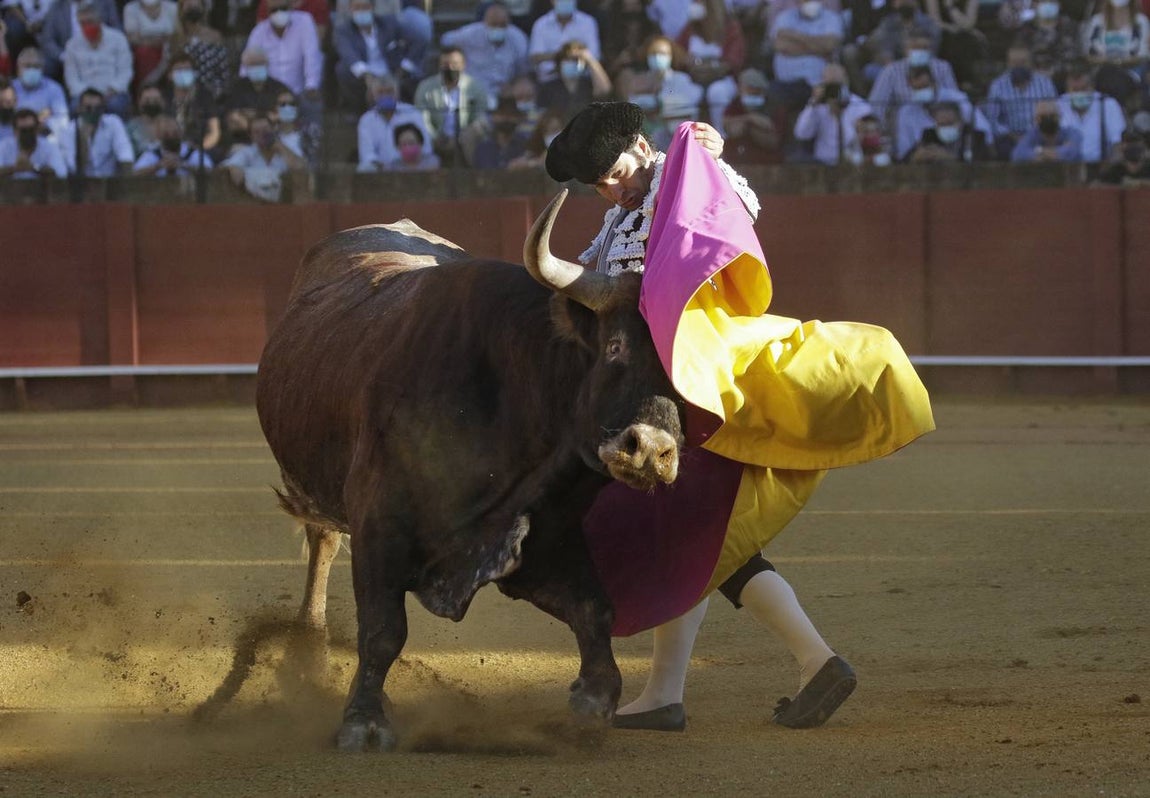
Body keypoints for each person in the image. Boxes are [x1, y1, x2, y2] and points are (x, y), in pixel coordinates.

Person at [543, 101, 934, 731]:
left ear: (641, 147)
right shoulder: (619, 218)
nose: (610, 191)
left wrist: (712, 161)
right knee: (692, 537)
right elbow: (580, 283)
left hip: (699, 395)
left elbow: (734, 215)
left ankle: (808, 661)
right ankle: (680, 690)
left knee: (701, 537)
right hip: (657, 397)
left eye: (614, 175)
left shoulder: (690, 178)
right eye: (598, 186)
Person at [334, 0, 427, 113]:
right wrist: (367, 76)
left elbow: (419, 40)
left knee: (415, 72)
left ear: (372, 8)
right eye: (357, 8)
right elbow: (348, 54)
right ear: (351, 9)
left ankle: (406, 107)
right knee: (342, 69)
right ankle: (359, 111)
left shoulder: (388, 23)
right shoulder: (344, 30)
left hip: (392, 70)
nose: (361, 11)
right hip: (364, 74)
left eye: (365, 7)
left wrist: (404, 68)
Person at [893, 65, 991, 159]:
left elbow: (983, 130)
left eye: (925, 86)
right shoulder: (907, 113)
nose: (922, 91)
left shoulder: (958, 99)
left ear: (934, 83)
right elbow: (904, 151)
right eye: (918, 88)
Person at [675, 0, 745, 132]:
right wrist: (688, 62)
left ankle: (722, 136)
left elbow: (733, 62)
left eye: (699, 2)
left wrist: (710, 68)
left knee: (717, 92)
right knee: (687, 93)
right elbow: (678, 53)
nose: (694, 5)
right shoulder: (691, 27)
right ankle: (685, 137)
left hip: (722, 80)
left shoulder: (730, 27)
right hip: (694, 79)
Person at [414, 46, 489, 166]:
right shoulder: (425, 88)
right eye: (445, 64)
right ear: (439, 66)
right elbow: (422, 119)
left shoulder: (476, 87)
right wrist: (436, 137)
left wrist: (461, 137)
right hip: (437, 139)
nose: (450, 68)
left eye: (455, 64)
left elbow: (480, 117)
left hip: (466, 139)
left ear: (464, 65)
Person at [867, 27, 956, 126]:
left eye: (924, 48)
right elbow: (876, 106)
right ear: (905, 49)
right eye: (915, 48)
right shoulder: (891, 71)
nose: (920, 52)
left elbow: (954, 101)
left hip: (936, 124)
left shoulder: (943, 68)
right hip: (902, 125)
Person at [440, 1, 530, 98]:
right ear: (485, 23)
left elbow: (523, 71)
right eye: (494, 24)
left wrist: (514, 85)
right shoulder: (471, 34)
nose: (498, 28)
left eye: (502, 25)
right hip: (473, 91)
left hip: (504, 92)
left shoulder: (518, 38)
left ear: (508, 23)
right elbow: (446, 40)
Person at [768, 0, 845, 114]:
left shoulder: (831, 18)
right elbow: (781, 45)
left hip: (820, 83)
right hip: (787, 84)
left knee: (835, 91)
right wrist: (819, 48)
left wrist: (793, 36)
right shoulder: (785, 17)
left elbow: (830, 45)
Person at [244, 0, 322, 110]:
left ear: (291, 6)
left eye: (283, 8)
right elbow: (247, 64)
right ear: (267, 11)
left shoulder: (305, 22)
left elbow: (312, 56)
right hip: (268, 94)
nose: (278, 13)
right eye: (274, 10)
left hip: (299, 92)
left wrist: (311, 85)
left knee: (311, 102)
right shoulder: (259, 32)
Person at [985, 44, 1057, 160]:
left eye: (1023, 62)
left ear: (1031, 63)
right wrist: (1012, 135)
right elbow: (993, 120)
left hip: (1040, 134)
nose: (1018, 66)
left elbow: (1054, 112)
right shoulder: (997, 86)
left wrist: (1037, 134)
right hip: (1010, 137)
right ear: (1008, 64)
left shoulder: (1045, 83)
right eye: (1014, 63)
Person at [63, 1, 133, 117]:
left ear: (99, 20)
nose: (87, 27)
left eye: (90, 22)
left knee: (116, 106)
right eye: (83, 23)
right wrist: (87, 95)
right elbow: (72, 78)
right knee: (75, 108)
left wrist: (110, 91)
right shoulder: (72, 45)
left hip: (113, 93)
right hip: (84, 94)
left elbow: (125, 72)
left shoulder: (118, 39)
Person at [793, 62, 872, 164]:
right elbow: (801, 134)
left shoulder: (861, 106)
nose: (835, 91)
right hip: (821, 163)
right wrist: (812, 105)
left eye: (837, 85)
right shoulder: (817, 105)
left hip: (851, 163)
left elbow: (858, 142)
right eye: (830, 85)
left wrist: (839, 116)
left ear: (846, 81)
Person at [220, 111, 304, 200]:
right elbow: (230, 167)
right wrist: (235, 169)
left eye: (265, 130)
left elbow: (301, 168)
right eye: (257, 132)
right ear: (251, 136)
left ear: (273, 129)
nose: (262, 135)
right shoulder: (247, 152)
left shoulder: (287, 148)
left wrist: (281, 148)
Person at [356, 72, 430, 171]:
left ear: (397, 93)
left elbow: (426, 147)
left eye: (390, 92)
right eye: (380, 92)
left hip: (411, 165)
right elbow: (367, 154)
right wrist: (384, 167)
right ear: (373, 95)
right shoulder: (366, 120)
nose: (386, 96)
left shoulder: (412, 113)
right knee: (364, 168)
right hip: (380, 169)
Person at [1083, 0, 1149, 105]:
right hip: (1101, 71)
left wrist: (1118, 62)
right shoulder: (1097, 21)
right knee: (1107, 78)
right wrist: (1109, 61)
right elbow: (1089, 55)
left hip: (1130, 72)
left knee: (1115, 82)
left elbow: (1142, 55)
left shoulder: (1141, 21)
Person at [1057, 62, 1126, 161]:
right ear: (1067, 90)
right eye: (1075, 90)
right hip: (1065, 166)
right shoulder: (1059, 105)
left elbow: (1118, 144)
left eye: (1084, 88)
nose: (1080, 93)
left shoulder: (1108, 104)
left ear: (1092, 87)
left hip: (1100, 165)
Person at [59, 86, 135, 176]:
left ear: (103, 109)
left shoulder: (114, 123)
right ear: (79, 108)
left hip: (109, 184)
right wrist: (83, 140)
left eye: (97, 108)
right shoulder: (68, 130)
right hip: (81, 184)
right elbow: (73, 168)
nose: (93, 112)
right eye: (88, 108)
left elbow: (125, 154)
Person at [536, 38, 611, 120]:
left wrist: (589, 58)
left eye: (575, 60)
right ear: (560, 62)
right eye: (568, 59)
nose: (571, 62)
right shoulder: (548, 88)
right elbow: (541, 116)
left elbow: (605, 90)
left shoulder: (588, 85)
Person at [528, 0, 601, 83]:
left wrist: (574, 58)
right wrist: (563, 55)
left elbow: (594, 56)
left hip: (582, 78)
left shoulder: (588, 23)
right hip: (549, 80)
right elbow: (535, 57)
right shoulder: (540, 25)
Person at [721, 67, 782, 164]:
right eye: (750, 89)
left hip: (767, 162)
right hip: (737, 160)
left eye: (757, 90)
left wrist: (751, 126)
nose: (753, 92)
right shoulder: (735, 105)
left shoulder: (774, 107)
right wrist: (749, 119)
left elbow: (774, 139)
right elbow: (731, 129)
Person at [922, 0, 987, 87]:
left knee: (964, 39)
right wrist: (951, 28)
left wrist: (950, 7)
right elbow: (934, 22)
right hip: (943, 32)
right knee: (949, 40)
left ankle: (965, 81)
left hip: (966, 34)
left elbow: (969, 24)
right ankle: (949, 81)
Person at [905, 98, 992, 161]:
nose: (946, 128)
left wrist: (950, 158)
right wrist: (914, 157)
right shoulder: (929, 135)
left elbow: (981, 163)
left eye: (950, 123)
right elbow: (902, 160)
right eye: (941, 124)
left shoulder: (975, 136)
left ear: (960, 122)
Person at [12, 47, 69, 135]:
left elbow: (63, 121)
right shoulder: (10, 89)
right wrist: (38, 118)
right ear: (18, 68)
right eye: (27, 66)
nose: (31, 70)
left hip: (44, 138)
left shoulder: (54, 88)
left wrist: (43, 124)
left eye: (36, 66)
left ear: (42, 69)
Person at [132, 112, 211, 174]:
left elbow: (210, 171)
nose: (171, 137)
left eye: (175, 133)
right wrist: (158, 166)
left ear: (181, 133)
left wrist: (183, 165)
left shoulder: (192, 153)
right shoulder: (152, 154)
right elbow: (135, 174)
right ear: (159, 136)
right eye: (166, 134)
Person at [0, 106, 67, 177]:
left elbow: (60, 173)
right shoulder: (4, 146)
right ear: (15, 131)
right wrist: (14, 168)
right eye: (23, 131)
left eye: (31, 130)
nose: (27, 134)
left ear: (37, 129)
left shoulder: (49, 147)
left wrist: (33, 168)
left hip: (41, 187)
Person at [1011, 98, 1084, 161]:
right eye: (1043, 117)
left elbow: (1072, 152)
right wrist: (1057, 153)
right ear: (1036, 119)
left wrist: (1038, 151)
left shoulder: (1072, 133)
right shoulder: (1031, 134)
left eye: (1052, 116)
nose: (1048, 119)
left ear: (1060, 117)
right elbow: (1017, 154)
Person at [226, 46, 291, 117]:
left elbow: (288, 114)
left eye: (260, 64)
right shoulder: (237, 88)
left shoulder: (280, 88)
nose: (256, 67)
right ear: (246, 67)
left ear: (267, 65)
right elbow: (231, 113)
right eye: (252, 64)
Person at [472, 95, 529, 168]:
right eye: (502, 114)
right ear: (494, 117)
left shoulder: (526, 146)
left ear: (518, 118)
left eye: (511, 115)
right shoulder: (483, 148)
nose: (507, 118)